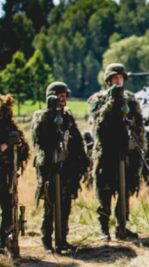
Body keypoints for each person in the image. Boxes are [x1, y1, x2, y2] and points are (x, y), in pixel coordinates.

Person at [88, 63, 146, 241]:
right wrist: (112, 101)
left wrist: (139, 148)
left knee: (125, 190)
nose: (118, 81)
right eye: (114, 78)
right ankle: (104, 228)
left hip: (127, 152)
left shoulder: (131, 99)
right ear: (108, 80)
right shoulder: (98, 99)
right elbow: (98, 124)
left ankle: (122, 226)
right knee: (104, 191)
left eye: (120, 77)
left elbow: (139, 126)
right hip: (107, 153)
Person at [31, 82, 89, 253]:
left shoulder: (67, 116)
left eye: (64, 95)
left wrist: (83, 159)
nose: (62, 99)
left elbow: (76, 139)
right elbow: (39, 139)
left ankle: (62, 239)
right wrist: (50, 115)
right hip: (50, 167)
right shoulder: (41, 116)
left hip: (67, 168)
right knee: (50, 205)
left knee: (65, 205)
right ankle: (47, 240)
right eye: (59, 95)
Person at [0, 94, 30, 252]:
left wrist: (12, 143)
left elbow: (22, 146)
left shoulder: (9, 128)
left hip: (5, 175)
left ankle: (4, 241)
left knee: (8, 208)